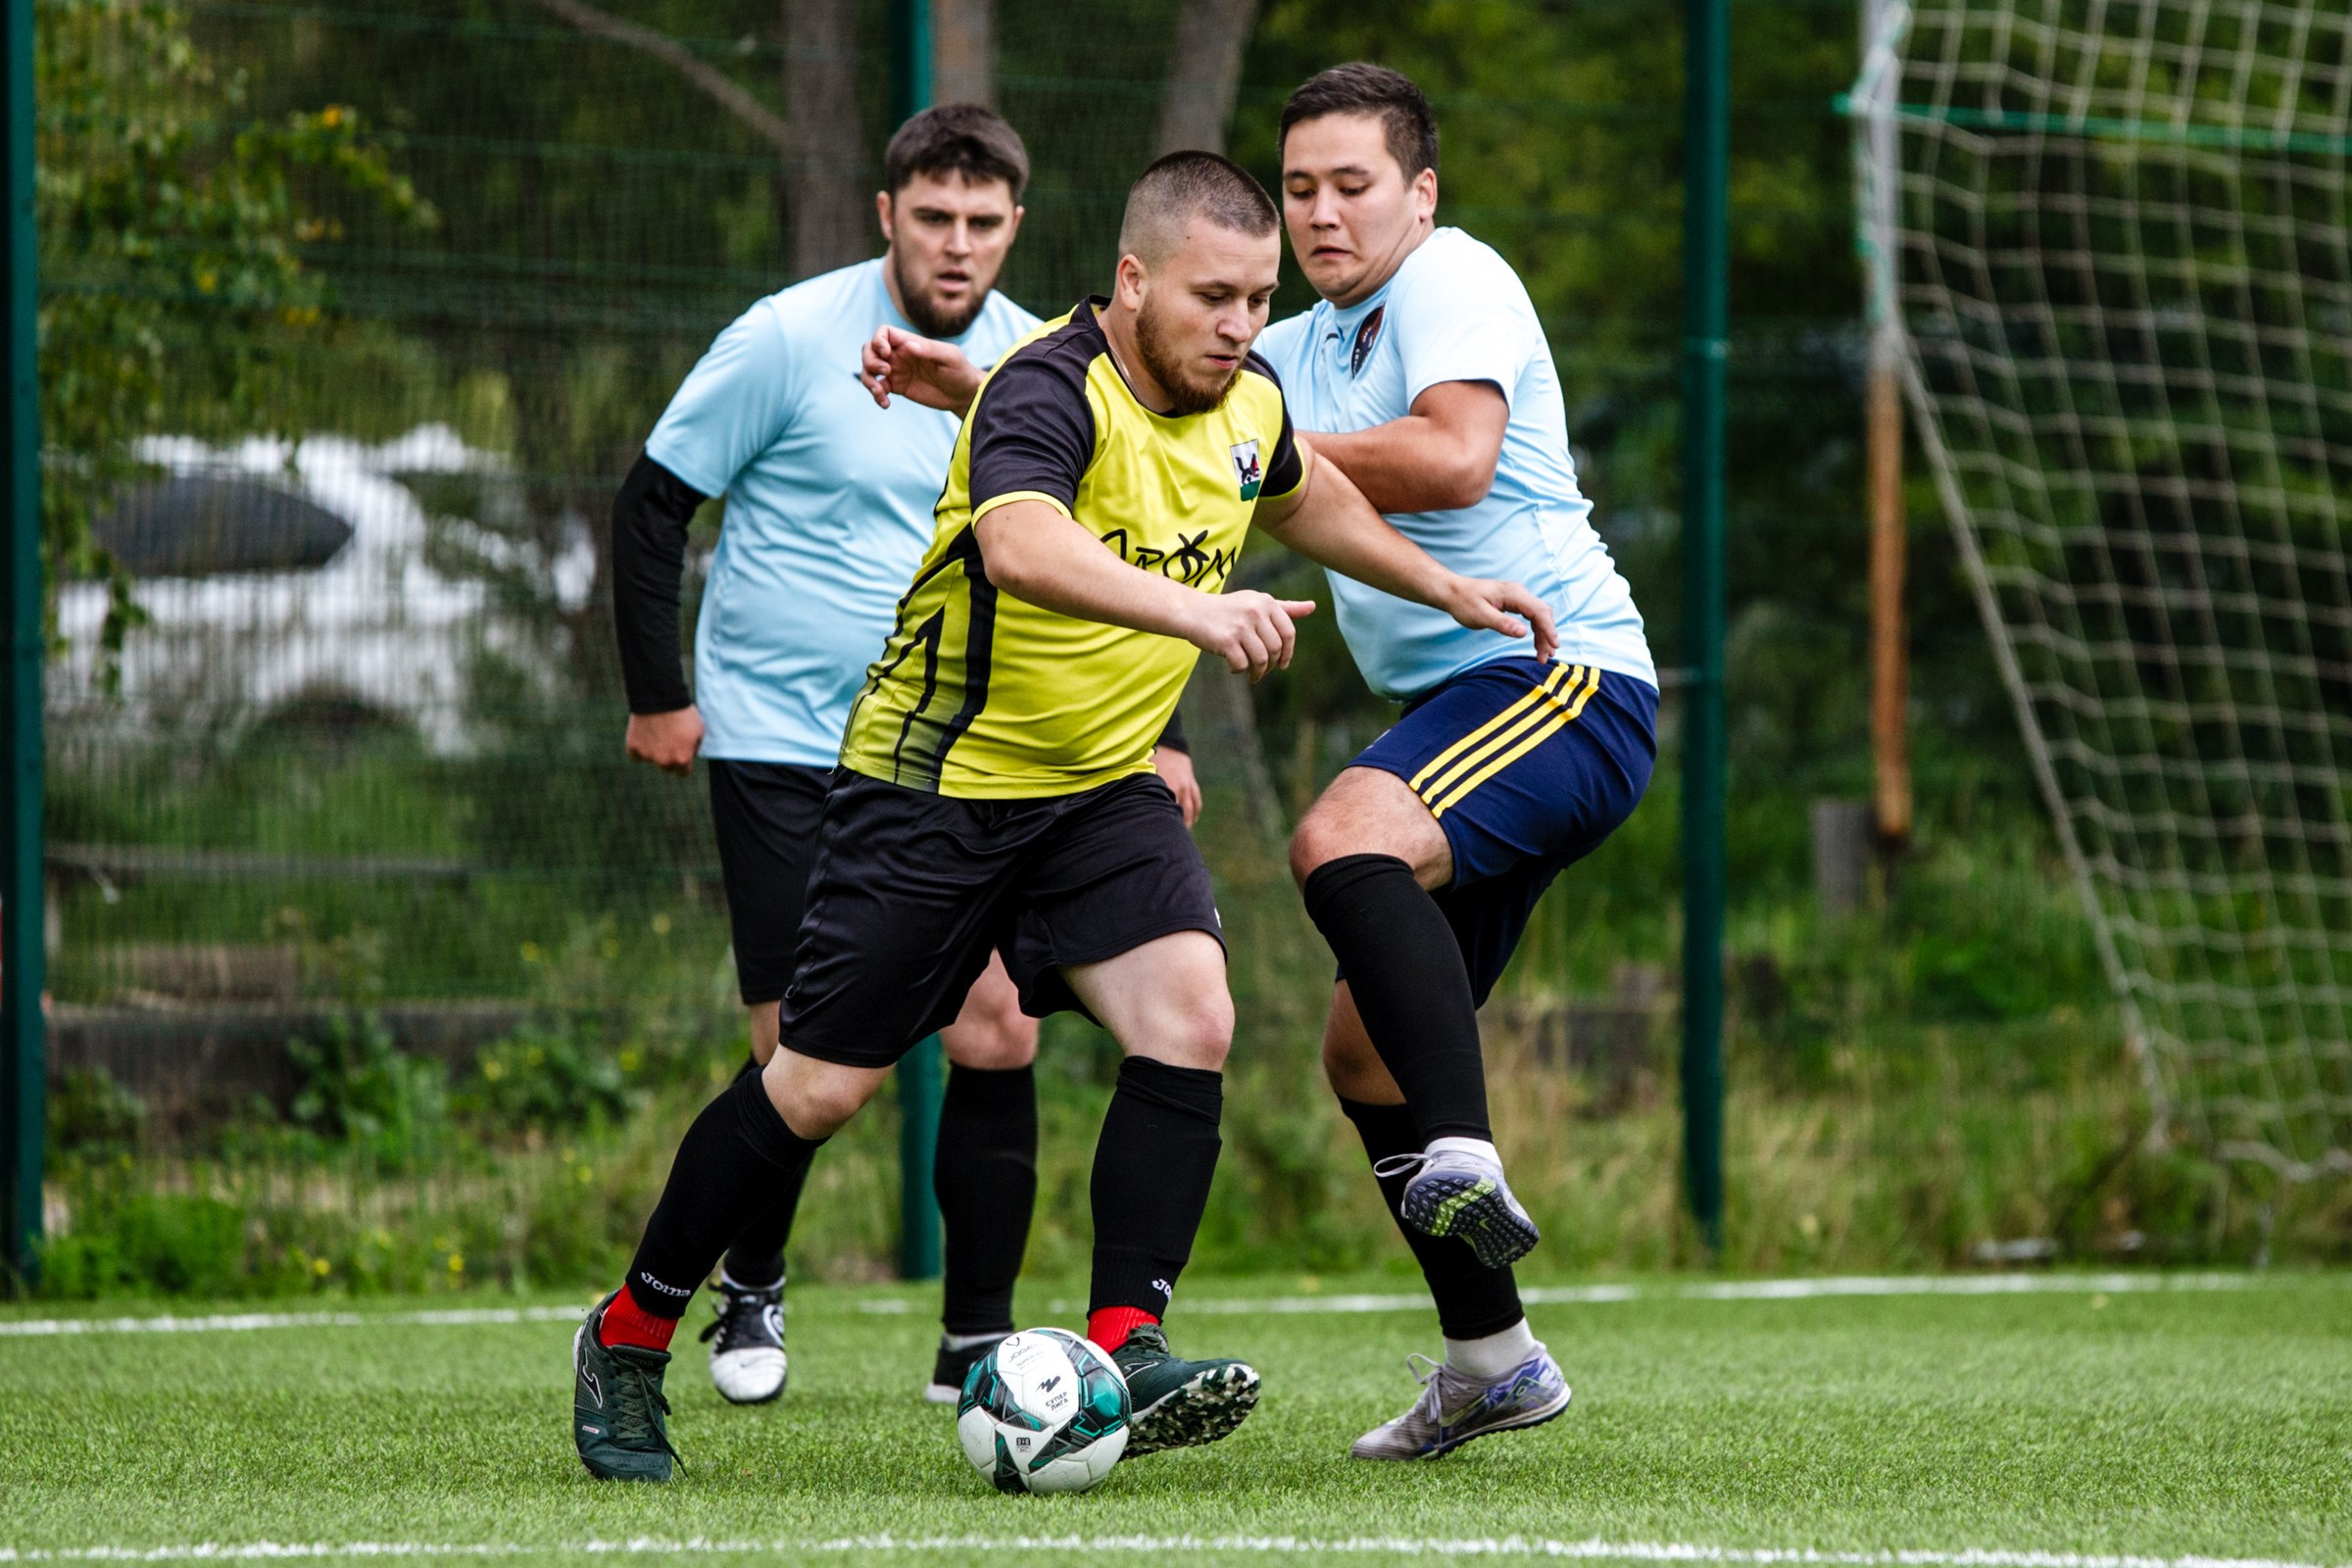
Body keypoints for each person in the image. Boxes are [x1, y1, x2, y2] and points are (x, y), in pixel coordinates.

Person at [572, 148, 1557, 1483]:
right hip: (937, 785)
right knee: (817, 1087)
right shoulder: (1045, 384)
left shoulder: (1246, 396)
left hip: (1097, 792)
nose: (1240, 327)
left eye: (1259, 300)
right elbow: (1020, 545)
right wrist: (1202, 613)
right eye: (1213, 297)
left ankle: (1126, 1344)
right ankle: (628, 1336)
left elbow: (1299, 488)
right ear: (1134, 278)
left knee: (1191, 1017)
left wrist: (1446, 589)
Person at [610, 103, 1200, 1410]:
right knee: (803, 1047)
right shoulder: (787, 338)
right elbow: (654, 505)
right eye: (933, 217)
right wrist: (661, 696)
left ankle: (973, 1343)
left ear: (1018, 227)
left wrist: (1157, 732)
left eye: (983, 222)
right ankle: (749, 1283)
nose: (957, 243)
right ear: (887, 215)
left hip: (962, 759)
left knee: (998, 1026)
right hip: (784, 736)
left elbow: (1137, 544)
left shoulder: (1051, 362)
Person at [1257, 64, 1659, 1461]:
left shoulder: (1453, 275)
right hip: (1467, 704)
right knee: (1363, 1049)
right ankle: (1493, 1360)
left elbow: (1453, 457)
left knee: (1339, 837)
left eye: (1351, 184)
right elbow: (1134, 401)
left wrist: (1257, 450)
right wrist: (983, 384)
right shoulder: (1288, 348)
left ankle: (1466, 1154)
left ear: (1419, 195)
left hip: (1564, 678)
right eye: (1298, 188)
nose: (1322, 212)